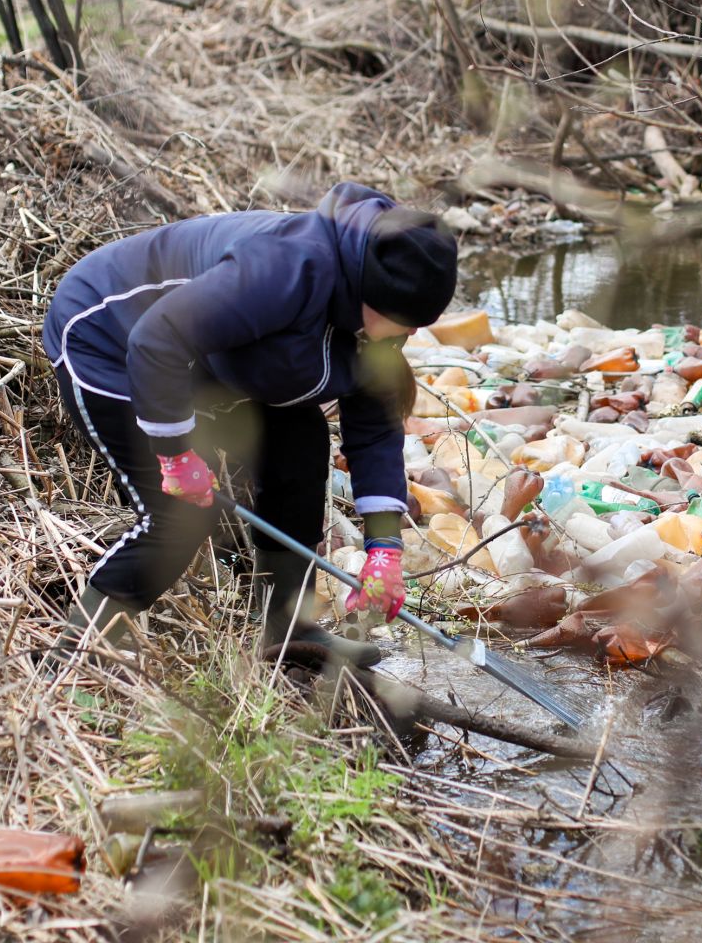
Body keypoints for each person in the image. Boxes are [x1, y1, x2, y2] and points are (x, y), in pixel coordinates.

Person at [42, 183, 458, 667]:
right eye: (405, 322)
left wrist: (384, 548)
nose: (409, 335)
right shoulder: (285, 267)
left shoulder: (384, 307)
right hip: (112, 340)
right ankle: (75, 654)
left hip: (216, 357)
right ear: (369, 295)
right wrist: (175, 453)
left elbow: (375, 423)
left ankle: (286, 631)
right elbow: (157, 340)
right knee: (178, 517)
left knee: (301, 446)